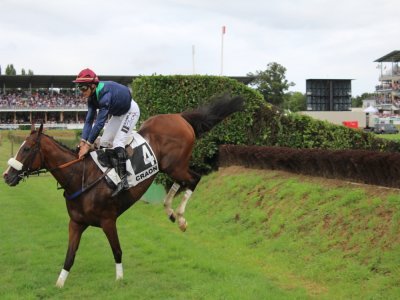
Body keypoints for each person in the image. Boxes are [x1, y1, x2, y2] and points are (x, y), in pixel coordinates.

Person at [73, 68, 140, 196]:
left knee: (118, 143)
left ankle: (124, 180)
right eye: (79, 88)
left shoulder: (105, 95)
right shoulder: (92, 97)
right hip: (118, 114)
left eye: (83, 88)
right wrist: (83, 141)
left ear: (92, 86)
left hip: (131, 111)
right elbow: (88, 121)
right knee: (104, 142)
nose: (81, 92)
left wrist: (88, 145)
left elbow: (99, 123)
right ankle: (111, 173)